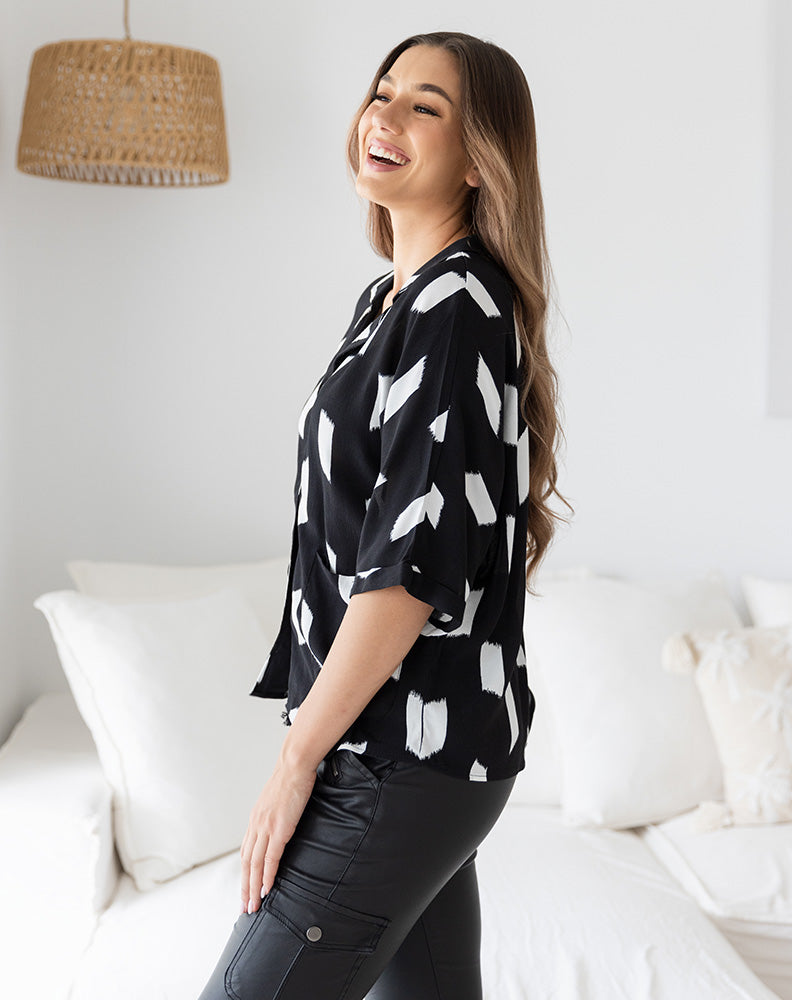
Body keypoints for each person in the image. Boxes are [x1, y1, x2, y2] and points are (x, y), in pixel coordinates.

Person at [197, 29, 571, 1000]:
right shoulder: (392, 301)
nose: (385, 115)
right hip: (412, 757)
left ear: (479, 159)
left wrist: (296, 760)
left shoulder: (457, 307)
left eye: (425, 106)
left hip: (398, 757)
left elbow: (406, 574)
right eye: (383, 91)